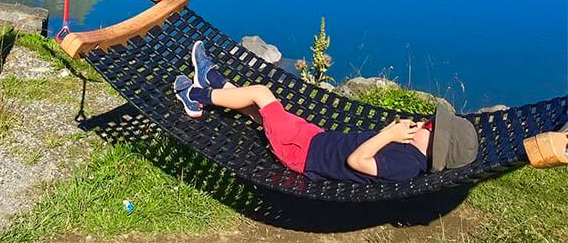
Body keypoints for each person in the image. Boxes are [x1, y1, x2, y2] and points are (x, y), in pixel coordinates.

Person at [174, 41, 479, 183]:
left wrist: (389, 133)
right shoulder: (409, 153)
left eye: (429, 127)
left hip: (301, 152)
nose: (423, 124)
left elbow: (356, 160)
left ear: (434, 147)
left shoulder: (405, 166)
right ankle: (212, 80)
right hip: (313, 139)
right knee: (258, 111)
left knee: (262, 94)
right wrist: (397, 133)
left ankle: (194, 95)